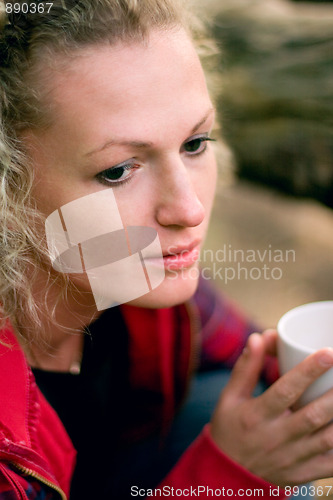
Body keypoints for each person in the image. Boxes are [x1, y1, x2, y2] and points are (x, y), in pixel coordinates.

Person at [1, 1, 333, 498]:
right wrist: (227, 475)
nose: (189, 209)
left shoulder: (128, 273)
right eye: (118, 171)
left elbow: (244, 353)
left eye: (196, 143)